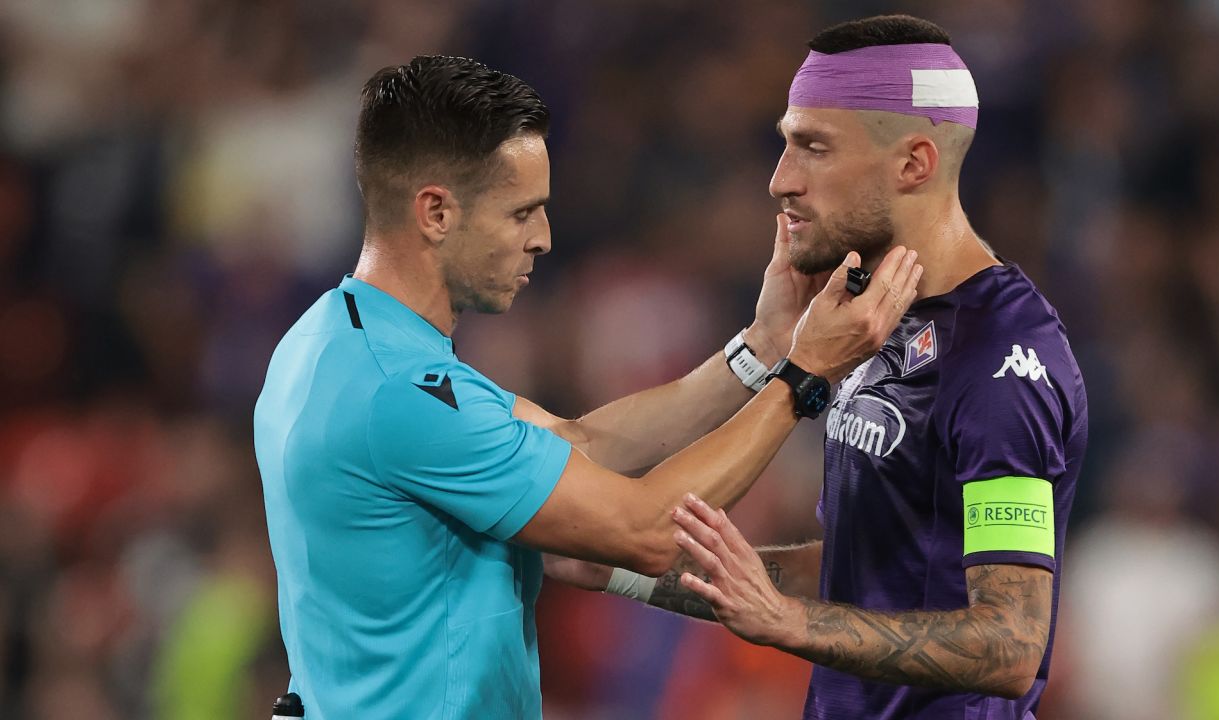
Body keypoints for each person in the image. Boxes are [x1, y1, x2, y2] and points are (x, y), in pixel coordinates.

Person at [252, 55, 923, 719]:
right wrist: (804, 375)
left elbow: (579, 443)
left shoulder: (334, 341)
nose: (543, 238)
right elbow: (650, 529)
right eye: (521, 213)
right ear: (436, 213)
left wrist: (762, 349)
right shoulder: (399, 392)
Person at [549, 15, 1088, 720]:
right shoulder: (868, 320)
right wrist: (623, 569)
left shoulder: (1002, 361)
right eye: (786, 146)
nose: (780, 181)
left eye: (813, 148)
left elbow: (1011, 644)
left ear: (914, 164)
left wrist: (788, 623)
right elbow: (857, 571)